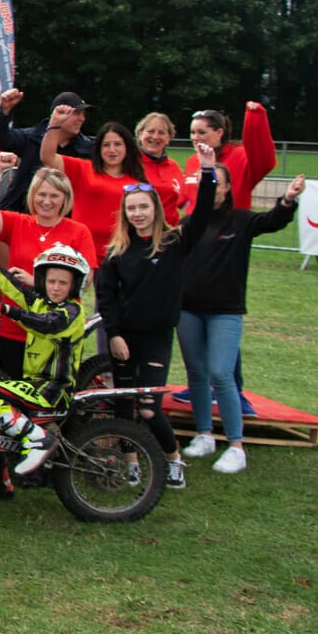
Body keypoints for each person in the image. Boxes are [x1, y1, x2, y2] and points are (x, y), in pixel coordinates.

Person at [96, 141, 219, 489]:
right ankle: (131, 462)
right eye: (131, 208)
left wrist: (208, 171)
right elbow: (106, 297)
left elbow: (205, 214)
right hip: (124, 339)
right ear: (125, 213)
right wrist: (114, 334)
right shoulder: (117, 250)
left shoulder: (173, 243)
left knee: (149, 408)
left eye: (143, 207)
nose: (137, 214)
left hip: (157, 339)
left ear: (155, 209)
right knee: (123, 406)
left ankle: (173, 459)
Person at [177, 173, 304, 474]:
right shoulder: (189, 225)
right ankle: (205, 434)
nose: (211, 190)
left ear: (228, 187)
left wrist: (288, 199)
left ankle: (236, 446)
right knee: (196, 372)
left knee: (222, 374)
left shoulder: (242, 221)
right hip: (187, 311)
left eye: (216, 183)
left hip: (225, 312)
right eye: (206, 185)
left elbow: (273, 221)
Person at [0, 240, 90, 499]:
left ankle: (38, 438)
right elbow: (8, 283)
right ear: (42, 281)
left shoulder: (72, 311)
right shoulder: (39, 301)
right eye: (52, 281)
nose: (56, 287)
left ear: (74, 285)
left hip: (53, 389)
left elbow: (46, 324)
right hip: (34, 384)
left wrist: (6, 309)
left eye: (63, 283)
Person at [0, 154, 98, 379]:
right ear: (32, 196)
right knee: (10, 395)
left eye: (54, 195)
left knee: (46, 401)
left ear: (65, 199)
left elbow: (84, 284)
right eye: (41, 194)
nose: (47, 201)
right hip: (15, 326)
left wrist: (37, 283)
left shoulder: (78, 232)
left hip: (55, 332)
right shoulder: (19, 223)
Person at [41, 115, 149, 245]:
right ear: (99, 149)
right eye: (106, 145)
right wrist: (55, 124)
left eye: (118, 144)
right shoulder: (83, 168)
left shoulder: (138, 182)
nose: (112, 150)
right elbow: (48, 157)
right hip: (80, 248)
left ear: (127, 148)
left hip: (118, 251)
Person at [0, 89, 94, 213]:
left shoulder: (88, 149)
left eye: (83, 114)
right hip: (22, 213)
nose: (82, 118)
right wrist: (3, 112)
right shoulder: (31, 138)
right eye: (76, 113)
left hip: (66, 219)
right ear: (57, 113)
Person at [182, 103, 277, 211]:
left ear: (219, 133)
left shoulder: (239, 156)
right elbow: (187, 197)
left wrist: (255, 118)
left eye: (201, 132)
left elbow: (264, 161)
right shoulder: (193, 161)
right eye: (192, 132)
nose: (195, 138)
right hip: (199, 226)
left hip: (231, 225)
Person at [135, 113, 188, 224]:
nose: (155, 137)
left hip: (170, 233)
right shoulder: (130, 163)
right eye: (150, 131)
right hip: (139, 233)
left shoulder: (174, 167)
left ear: (168, 138)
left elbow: (184, 203)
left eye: (162, 133)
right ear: (140, 134)